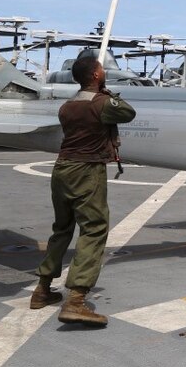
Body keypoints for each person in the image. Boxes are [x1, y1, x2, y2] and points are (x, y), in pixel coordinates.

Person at [32, 57, 136, 327]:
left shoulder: (67, 107)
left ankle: (42, 289)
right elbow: (128, 112)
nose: (104, 71)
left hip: (62, 169)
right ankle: (76, 301)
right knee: (94, 229)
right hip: (86, 170)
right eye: (101, 69)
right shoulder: (102, 104)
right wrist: (106, 91)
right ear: (95, 75)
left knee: (62, 228)